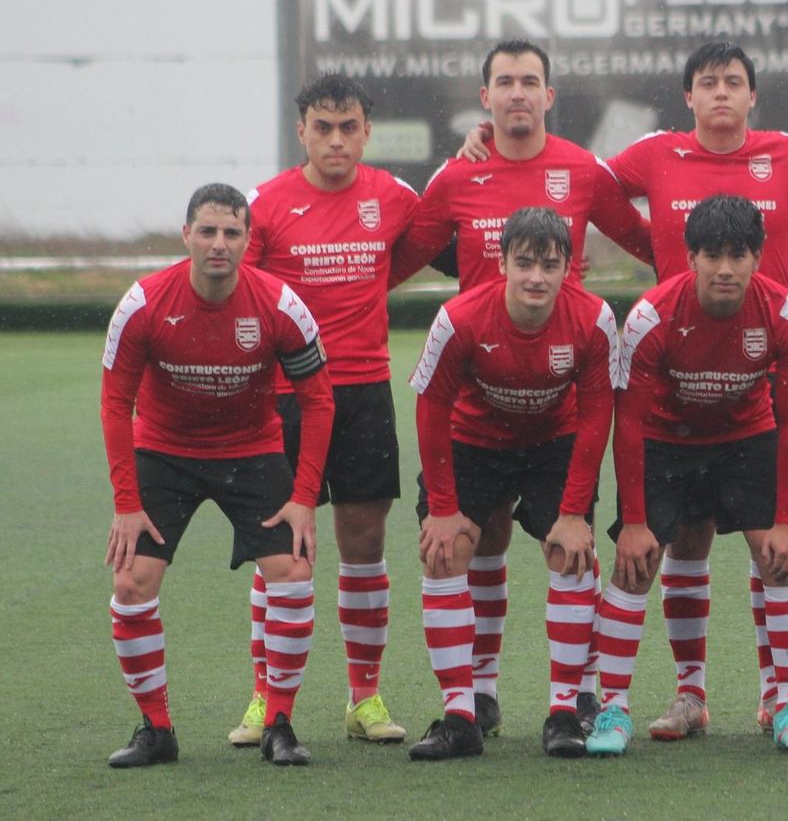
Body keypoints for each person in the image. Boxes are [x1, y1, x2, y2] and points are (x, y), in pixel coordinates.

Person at [392, 39, 653, 735]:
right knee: (465, 543)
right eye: (503, 81)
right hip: (476, 402)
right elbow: (394, 264)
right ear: (485, 98)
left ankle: (576, 697)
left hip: (556, 403)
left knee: (570, 546)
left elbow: (656, 245)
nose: (516, 93)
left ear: (548, 96)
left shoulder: (580, 169)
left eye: (529, 81)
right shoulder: (456, 177)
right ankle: (473, 698)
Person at [599, 42, 788, 739]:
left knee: (778, 552)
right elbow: (627, 422)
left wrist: (787, 516)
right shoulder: (648, 316)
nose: (722, 92)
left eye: (735, 82)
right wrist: (634, 518)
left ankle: (782, 701)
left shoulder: (787, 312)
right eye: (709, 82)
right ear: (689, 96)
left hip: (744, 428)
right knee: (647, 558)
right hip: (670, 434)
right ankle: (665, 700)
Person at [100, 183, 335, 767]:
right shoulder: (143, 303)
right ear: (186, 236)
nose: (219, 244)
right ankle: (156, 730)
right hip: (163, 451)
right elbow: (114, 403)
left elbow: (320, 401)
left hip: (250, 450)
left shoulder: (281, 305)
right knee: (131, 585)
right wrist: (127, 502)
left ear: (249, 241)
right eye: (207, 231)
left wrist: (304, 497)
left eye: (232, 233)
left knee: (293, 571)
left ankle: (279, 722)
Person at [228, 74, 418, 748]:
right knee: (279, 552)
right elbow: (236, 291)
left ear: (366, 131)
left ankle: (363, 698)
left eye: (349, 128)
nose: (336, 140)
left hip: (363, 392)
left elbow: (418, 251)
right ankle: (264, 699)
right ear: (302, 130)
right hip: (282, 398)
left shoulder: (394, 198)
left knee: (363, 546)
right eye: (323, 128)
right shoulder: (267, 205)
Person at [405, 207, 619, 760]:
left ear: (569, 267)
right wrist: (445, 508)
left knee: (570, 553)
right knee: (445, 550)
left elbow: (597, 416)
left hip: (553, 442)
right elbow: (430, 412)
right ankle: (462, 714)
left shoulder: (594, 319)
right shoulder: (458, 318)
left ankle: (566, 711)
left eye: (549, 265)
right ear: (501, 263)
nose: (535, 278)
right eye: (523, 263)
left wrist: (574, 512)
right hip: (473, 440)